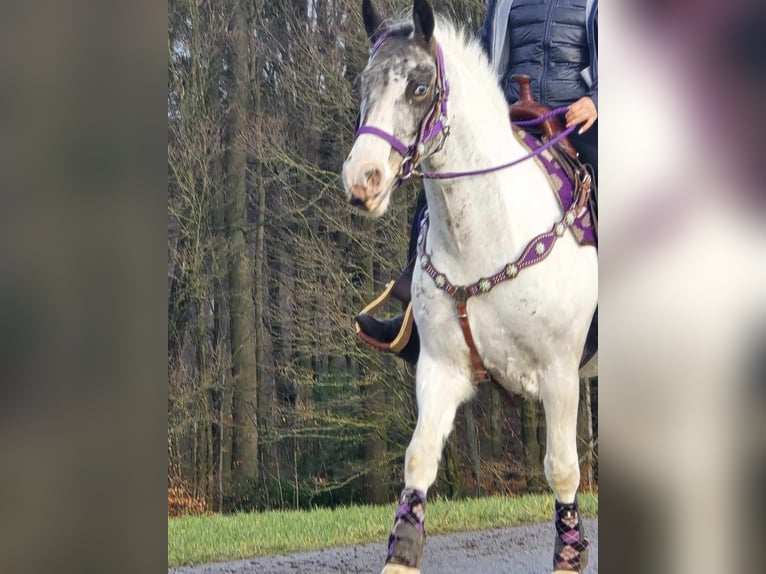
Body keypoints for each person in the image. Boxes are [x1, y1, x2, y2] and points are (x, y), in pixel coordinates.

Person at [356, 0, 598, 361]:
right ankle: (414, 317)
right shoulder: (504, 2)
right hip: (510, 121)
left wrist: (596, 100)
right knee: (439, 180)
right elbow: (481, 58)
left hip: (575, 121)